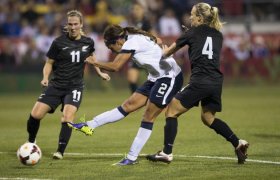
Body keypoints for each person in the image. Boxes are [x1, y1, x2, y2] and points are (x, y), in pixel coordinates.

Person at [146, 2, 249, 164]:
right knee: (208, 118)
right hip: (216, 81)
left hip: (200, 80)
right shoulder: (218, 34)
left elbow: (166, 53)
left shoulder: (191, 33)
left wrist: (161, 47)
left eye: (193, 15)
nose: (190, 17)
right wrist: (190, 36)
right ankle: (238, 143)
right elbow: (204, 45)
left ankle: (166, 152)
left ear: (200, 19)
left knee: (172, 110)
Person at [68, 24, 183, 165]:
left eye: (111, 48)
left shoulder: (131, 42)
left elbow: (115, 67)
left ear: (118, 42)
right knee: (128, 105)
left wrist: (95, 63)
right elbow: (157, 40)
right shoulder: (134, 38)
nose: (113, 51)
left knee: (148, 116)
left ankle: (131, 157)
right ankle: (90, 125)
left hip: (170, 77)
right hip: (155, 77)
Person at [25, 10, 110, 160]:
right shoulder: (58, 42)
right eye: (70, 24)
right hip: (56, 85)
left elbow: (92, 57)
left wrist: (100, 73)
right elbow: (49, 62)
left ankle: (60, 151)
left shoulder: (88, 42)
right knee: (35, 114)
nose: (72, 27)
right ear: (66, 25)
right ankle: (31, 142)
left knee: (67, 117)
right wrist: (45, 77)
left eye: (75, 24)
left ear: (81, 24)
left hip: (75, 86)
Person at [126, 2, 154, 93]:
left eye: (137, 9)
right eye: (133, 9)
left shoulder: (146, 22)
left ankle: (154, 99)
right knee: (131, 77)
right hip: (137, 54)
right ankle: (135, 100)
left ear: (142, 11)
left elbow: (153, 36)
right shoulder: (132, 23)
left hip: (147, 55)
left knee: (154, 80)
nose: (135, 11)